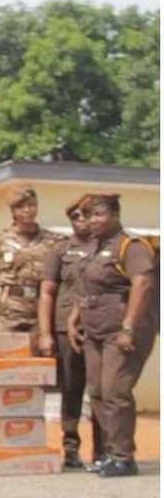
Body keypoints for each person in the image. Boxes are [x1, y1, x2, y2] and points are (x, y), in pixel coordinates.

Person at [68, 194, 158, 477]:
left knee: (115, 391)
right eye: (87, 216)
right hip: (95, 331)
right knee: (96, 391)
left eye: (98, 214)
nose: (92, 221)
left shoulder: (130, 246)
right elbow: (88, 289)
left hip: (121, 332)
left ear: (115, 215)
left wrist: (129, 327)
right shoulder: (96, 248)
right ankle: (110, 453)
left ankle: (123, 457)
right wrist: (75, 319)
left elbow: (143, 284)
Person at [37, 196, 98, 469]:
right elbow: (47, 292)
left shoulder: (108, 247)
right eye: (76, 216)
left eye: (86, 215)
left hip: (99, 327)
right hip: (65, 328)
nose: (81, 221)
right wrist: (46, 332)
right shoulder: (60, 250)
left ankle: (103, 450)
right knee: (72, 388)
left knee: (102, 389)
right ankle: (71, 448)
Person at [0, 186, 61, 331]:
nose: (28, 210)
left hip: (42, 310)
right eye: (21, 207)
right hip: (8, 311)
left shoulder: (53, 241)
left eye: (32, 205)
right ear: (13, 211)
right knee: (8, 352)